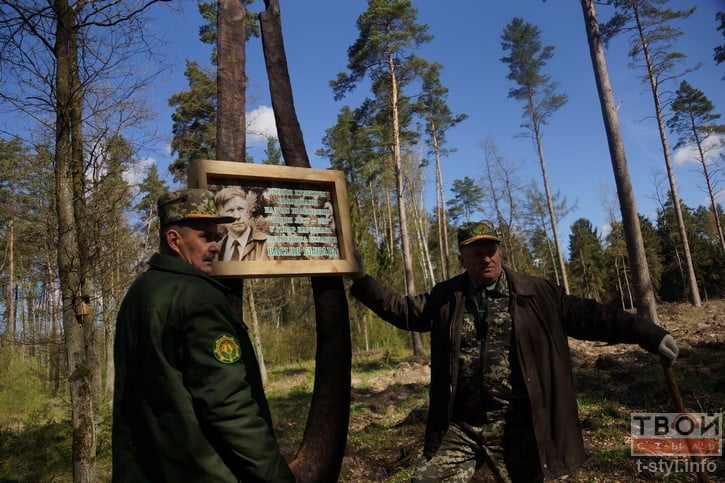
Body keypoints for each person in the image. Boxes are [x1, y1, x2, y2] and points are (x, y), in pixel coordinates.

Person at [349, 220, 679, 482]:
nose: (485, 258)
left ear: (499, 251)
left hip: (516, 426)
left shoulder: (536, 293)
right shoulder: (446, 296)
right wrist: (363, 280)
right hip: (461, 427)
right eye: (476, 252)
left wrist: (648, 333)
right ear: (462, 258)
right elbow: (404, 310)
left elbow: (592, 316)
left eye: (490, 249)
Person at [112, 188, 294, 482]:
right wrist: (277, 477)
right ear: (174, 240)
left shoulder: (139, 293)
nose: (215, 246)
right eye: (205, 237)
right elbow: (228, 405)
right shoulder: (198, 298)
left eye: (216, 236)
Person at [215, 186, 269, 261]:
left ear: (247, 211)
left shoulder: (268, 245)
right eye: (230, 211)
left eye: (240, 209)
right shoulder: (216, 250)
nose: (237, 216)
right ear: (220, 215)